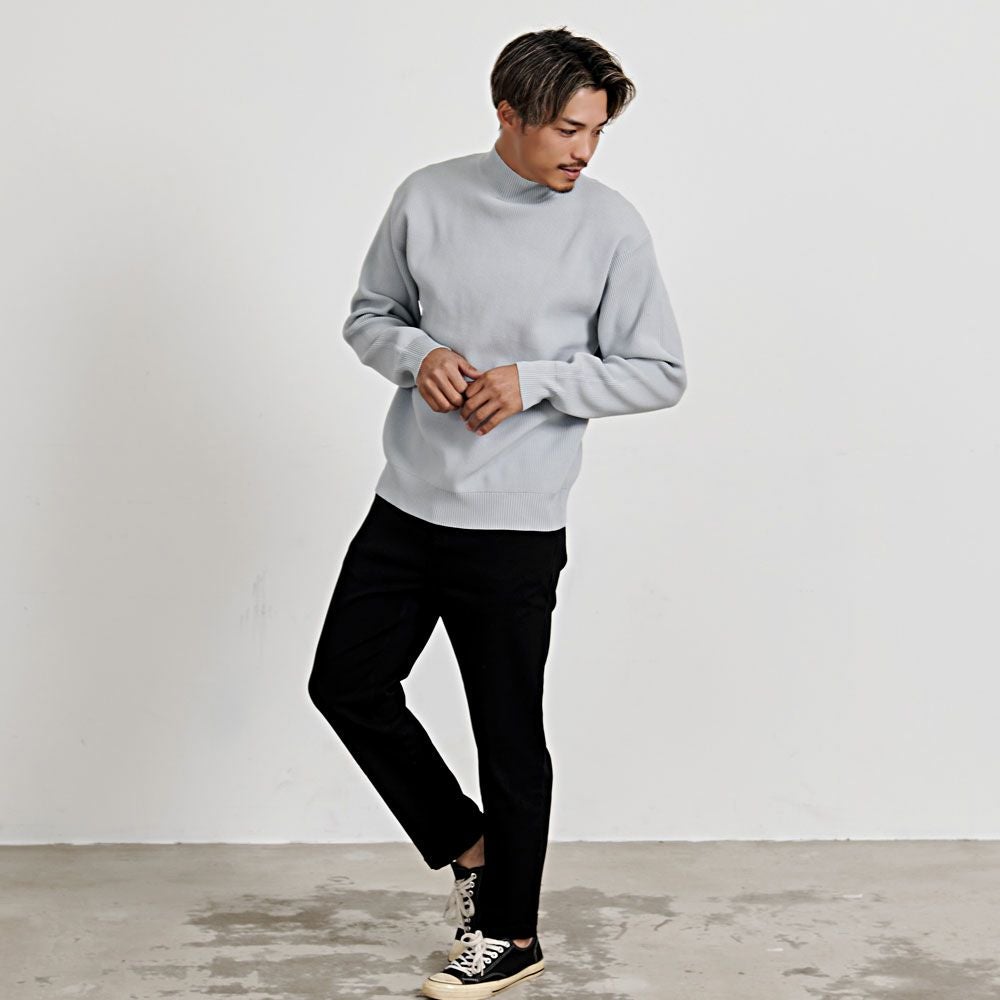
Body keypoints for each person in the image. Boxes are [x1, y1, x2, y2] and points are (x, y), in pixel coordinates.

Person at [308, 25, 687, 998]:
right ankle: (472, 849)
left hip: (514, 528)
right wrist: (418, 355)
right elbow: (370, 316)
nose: (583, 152)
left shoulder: (611, 227)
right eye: (567, 129)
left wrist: (537, 380)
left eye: (596, 132)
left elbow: (659, 372)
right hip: (406, 509)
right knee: (345, 684)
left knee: (508, 737)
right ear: (509, 114)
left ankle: (510, 933)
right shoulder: (426, 198)